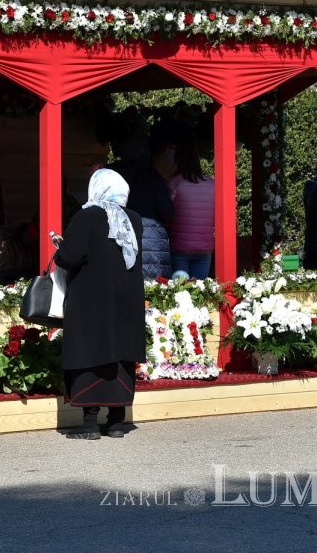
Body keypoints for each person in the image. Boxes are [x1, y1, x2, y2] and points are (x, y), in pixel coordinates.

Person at [54, 168, 144, 441]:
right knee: (121, 353)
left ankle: (90, 422)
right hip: (126, 302)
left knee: (90, 353)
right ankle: (116, 421)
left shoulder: (88, 216)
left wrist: (60, 245)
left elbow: (70, 257)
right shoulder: (134, 219)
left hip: (91, 302)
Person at [110, 135, 174, 279]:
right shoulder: (152, 176)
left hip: (119, 236)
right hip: (150, 240)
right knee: (155, 293)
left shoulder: (111, 174)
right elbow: (167, 212)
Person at [166, 140, 215, 279]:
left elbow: (166, 214)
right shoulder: (212, 185)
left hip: (180, 245)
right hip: (205, 246)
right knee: (200, 293)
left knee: (179, 294)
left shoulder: (174, 183)